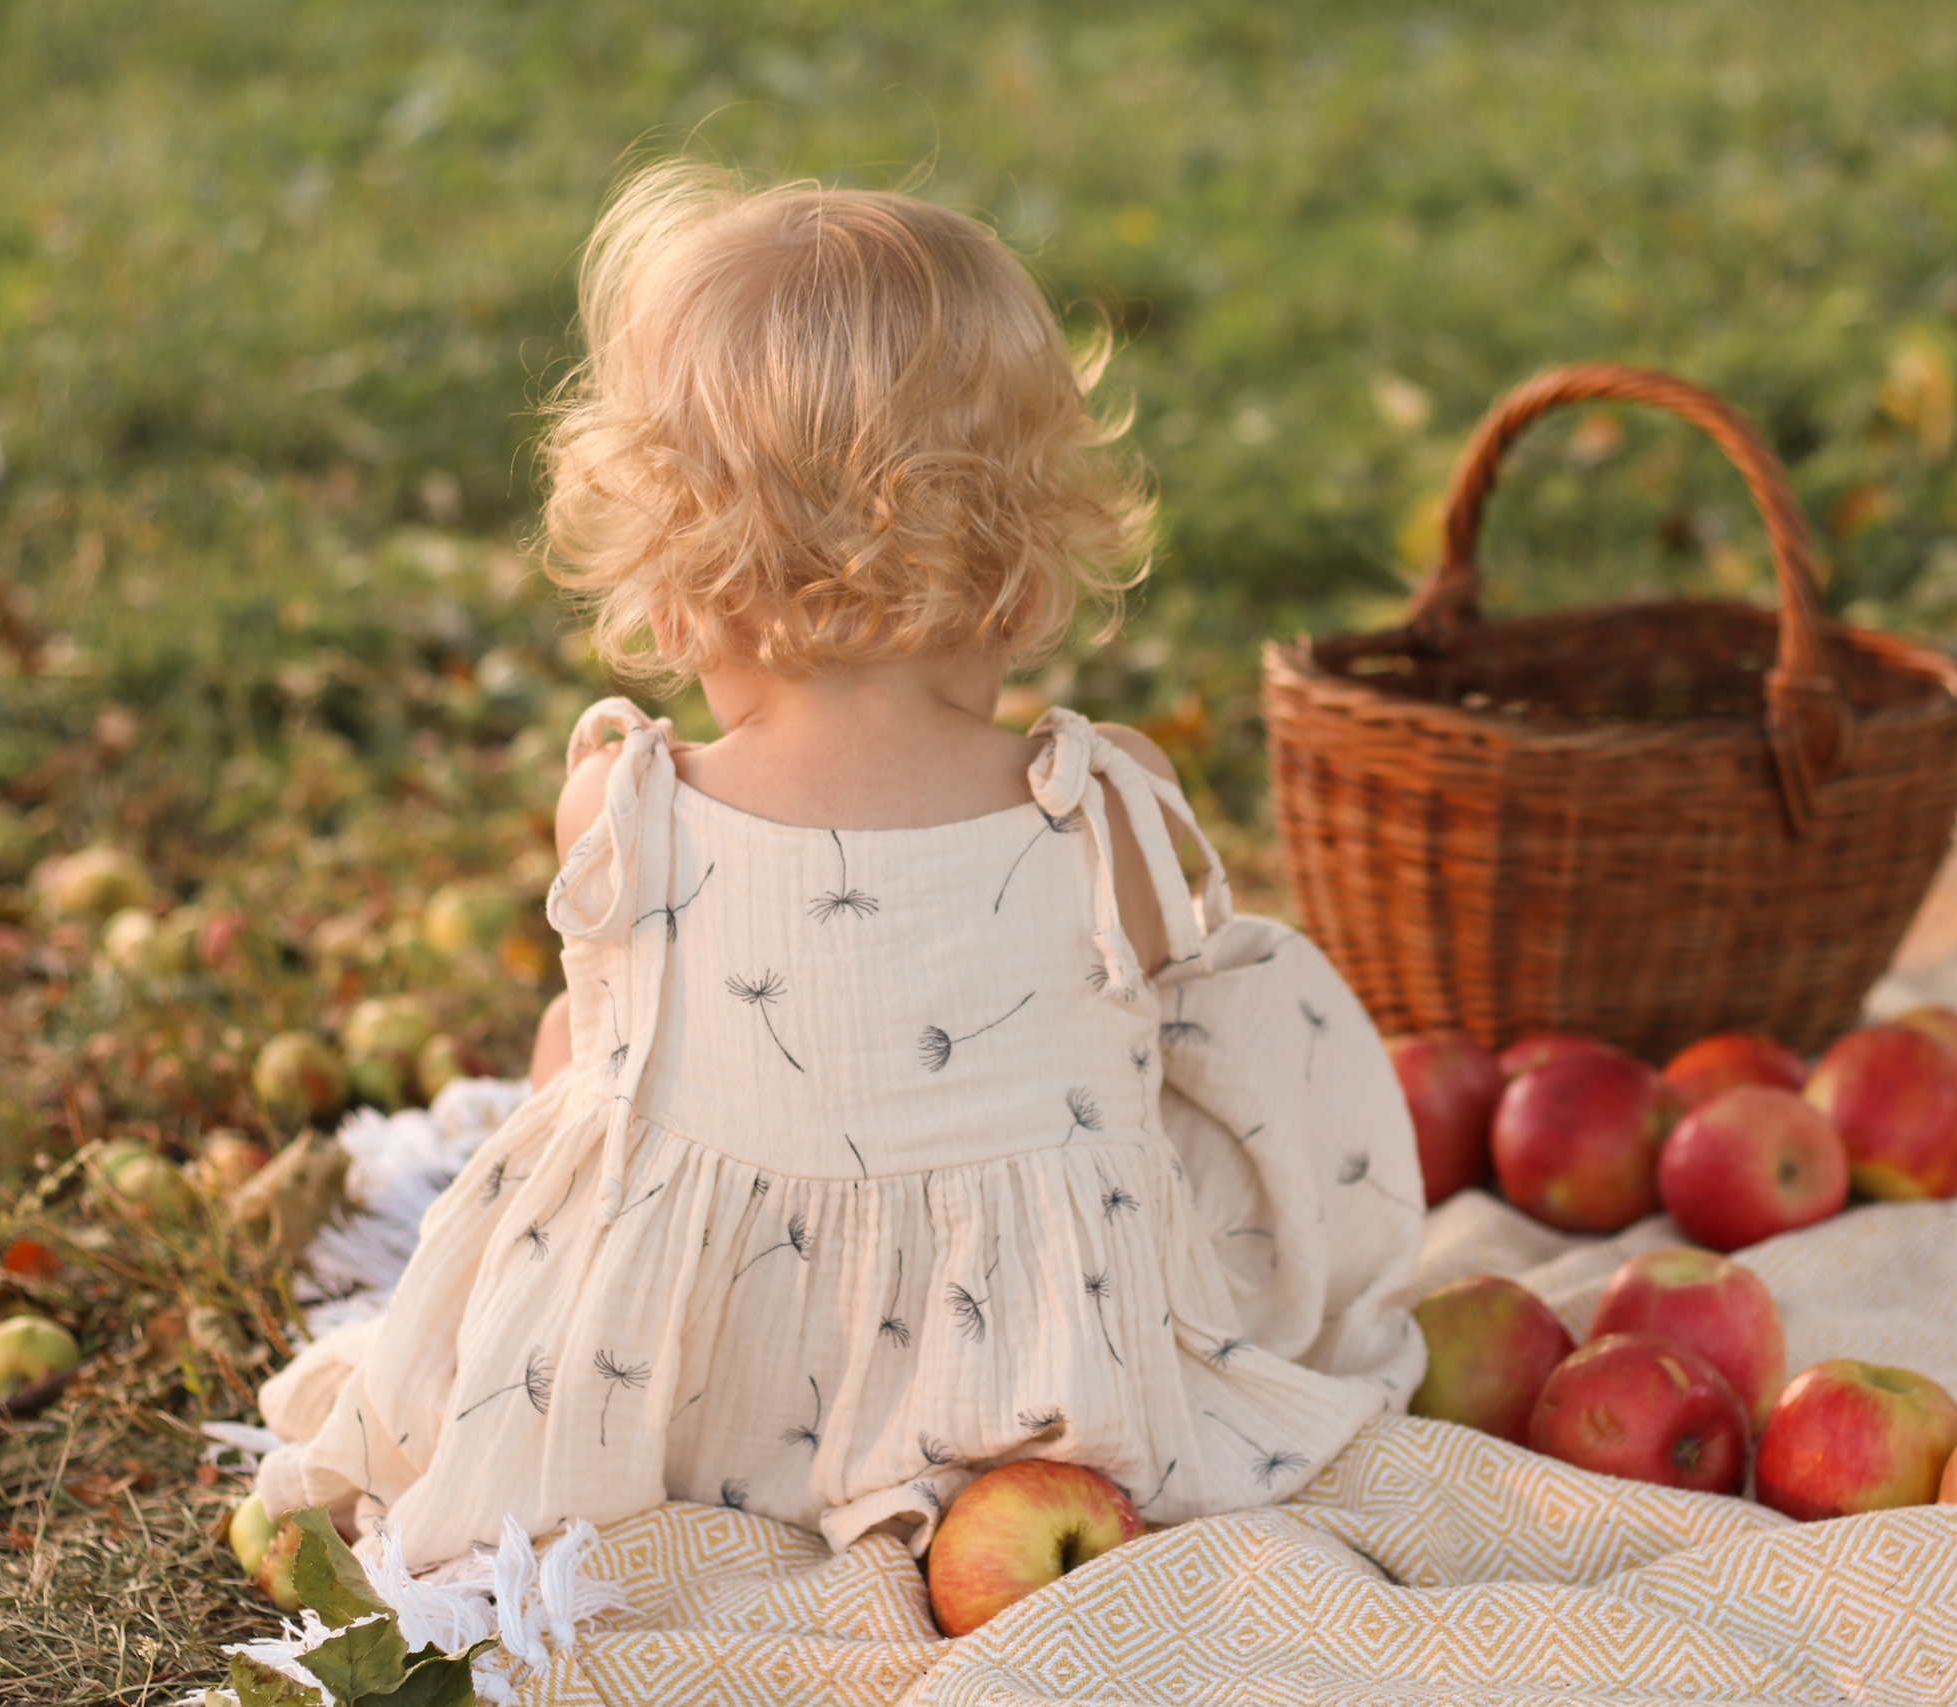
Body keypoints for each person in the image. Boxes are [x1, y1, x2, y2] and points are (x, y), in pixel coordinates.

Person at [254, 165, 1425, 1570]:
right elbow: (1169, 1045)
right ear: (1024, 565)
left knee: (597, 1039)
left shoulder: (627, 813)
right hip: (1034, 1410)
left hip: (693, 1400)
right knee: (1195, 1033)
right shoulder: (1099, 808)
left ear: (674, 580)